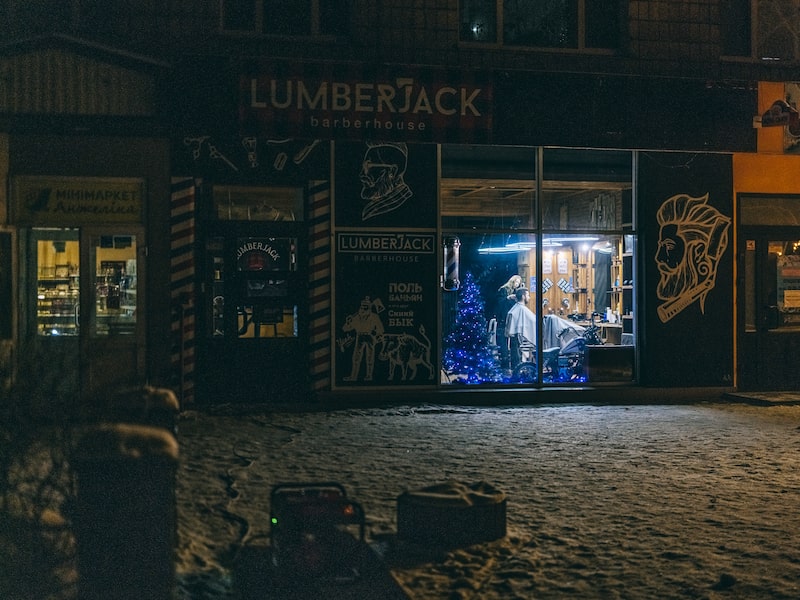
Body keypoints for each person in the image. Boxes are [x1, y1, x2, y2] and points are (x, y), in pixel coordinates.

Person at [505, 287, 536, 368]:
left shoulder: (516, 308)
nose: (529, 297)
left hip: (515, 338)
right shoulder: (521, 309)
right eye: (528, 295)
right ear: (523, 296)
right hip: (519, 340)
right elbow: (534, 322)